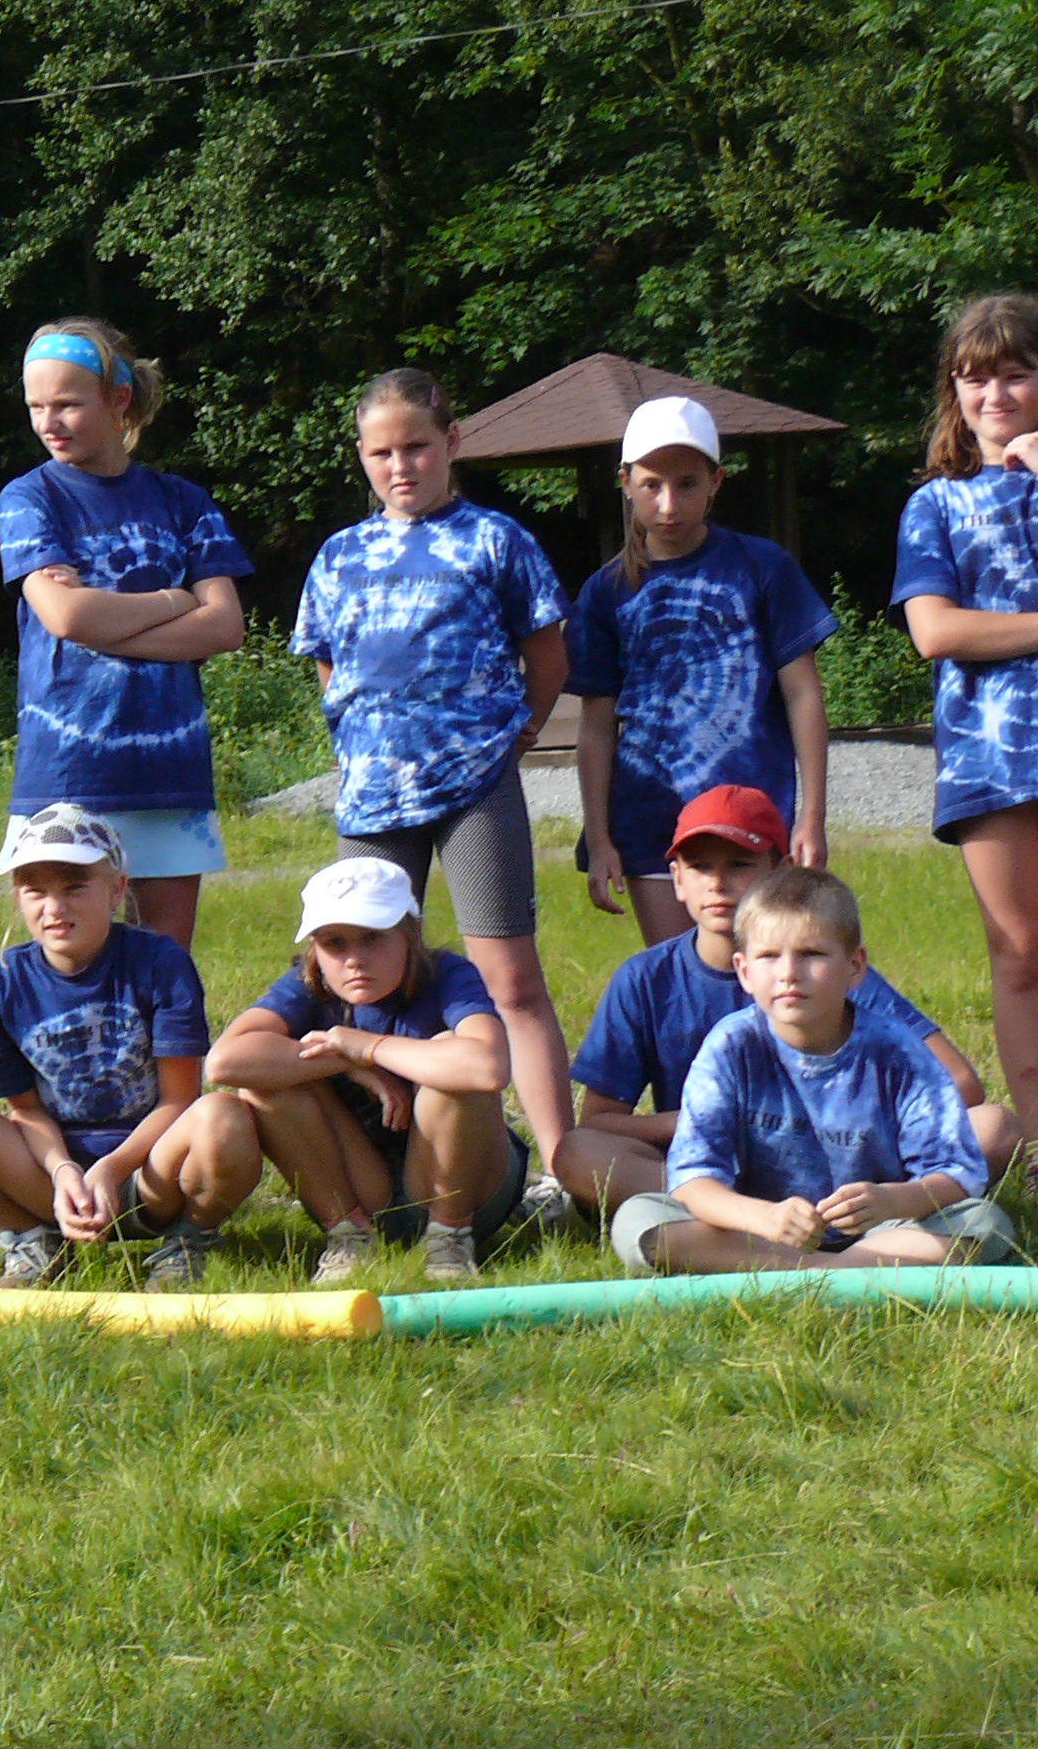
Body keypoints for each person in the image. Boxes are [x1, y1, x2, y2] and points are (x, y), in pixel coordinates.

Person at [294, 367, 578, 1206]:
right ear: (361, 456)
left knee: (510, 981)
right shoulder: (339, 554)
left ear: (451, 443)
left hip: (474, 789)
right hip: (372, 799)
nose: (401, 466)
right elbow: (327, 664)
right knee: (368, 979)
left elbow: (548, 654)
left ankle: (559, 1170)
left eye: (416, 447)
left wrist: (518, 734)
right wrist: (362, 745)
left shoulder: (497, 542)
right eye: (381, 453)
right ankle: (389, 1167)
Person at [556, 785, 1016, 1216]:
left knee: (995, 1129)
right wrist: (704, 1119)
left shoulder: (825, 971)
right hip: (712, 1164)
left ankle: (842, 1215)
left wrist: (849, 1124)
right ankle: (735, 1213)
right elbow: (597, 1122)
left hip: (843, 1164)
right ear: (676, 879)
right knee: (577, 1153)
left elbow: (961, 1083)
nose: (717, 883)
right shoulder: (644, 979)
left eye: (739, 864)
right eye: (699, 867)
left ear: (782, 874)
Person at [0, 803, 254, 1293]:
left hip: (153, 1168)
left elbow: (180, 1099)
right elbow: (25, 1110)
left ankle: (188, 1238)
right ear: (17, 896)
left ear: (116, 889)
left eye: (74, 887)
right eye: (36, 890)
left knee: (225, 1116)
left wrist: (112, 1169)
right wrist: (64, 1171)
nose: (54, 907)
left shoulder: (161, 962)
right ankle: (34, 1237)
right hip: (48, 1176)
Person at [613, 869, 1016, 1274]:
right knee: (639, 1221)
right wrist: (761, 1217)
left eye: (811, 954)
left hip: (880, 1230)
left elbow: (955, 1172)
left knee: (982, 1223)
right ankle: (840, 1271)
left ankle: (808, 1271)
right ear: (744, 971)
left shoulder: (897, 1050)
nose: (788, 972)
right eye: (769, 956)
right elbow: (692, 1179)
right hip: (757, 1230)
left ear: (855, 966)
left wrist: (892, 1200)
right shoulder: (730, 1046)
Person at [0, 319, 250, 949]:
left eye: (67, 404)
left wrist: (100, 619)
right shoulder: (28, 499)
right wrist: (174, 600)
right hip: (67, 772)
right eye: (35, 406)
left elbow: (225, 625)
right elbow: (66, 619)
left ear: (118, 400)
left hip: (169, 771)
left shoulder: (183, 502)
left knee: (165, 966)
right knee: (72, 961)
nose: (49, 422)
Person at [570, 393, 835, 944]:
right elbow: (596, 724)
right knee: (680, 971)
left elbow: (803, 695)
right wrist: (599, 839)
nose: (669, 504)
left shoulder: (763, 568)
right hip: (651, 823)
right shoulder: (605, 593)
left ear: (716, 482)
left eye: (687, 484)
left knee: (767, 968)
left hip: (755, 817)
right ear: (625, 483)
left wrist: (812, 816)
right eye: (652, 485)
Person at [210, 858, 527, 1286]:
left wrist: (370, 1047)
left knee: (451, 1059)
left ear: (411, 932)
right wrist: (348, 1061)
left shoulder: (447, 974)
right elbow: (225, 1062)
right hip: (364, 1186)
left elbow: (487, 1067)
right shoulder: (308, 983)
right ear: (315, 950)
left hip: (470, 1188)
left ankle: (450, 1236)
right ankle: (349, 1235)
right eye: (335, 944)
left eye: (373, 937)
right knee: (264, 1083)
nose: (354, 960)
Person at [893, 292, 1038, 1117]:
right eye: (976, 378)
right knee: (1019, 954)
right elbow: (936, 630)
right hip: (991, 755)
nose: (995, 395)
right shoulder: (936, 504)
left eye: (1016, 374)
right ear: (954, 391)